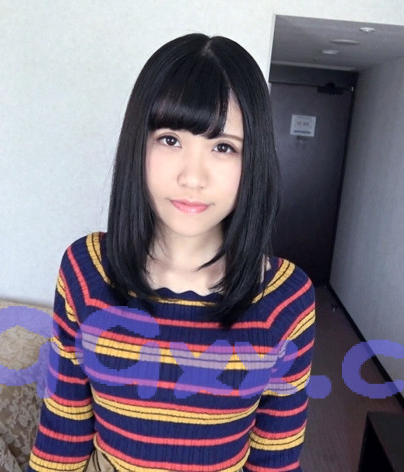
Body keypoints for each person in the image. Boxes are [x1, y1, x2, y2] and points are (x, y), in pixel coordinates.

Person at [28, 33, 316, 472]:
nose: (192, 178)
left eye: (223, 147)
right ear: (138, 144)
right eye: (169, 139)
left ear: (253, 161)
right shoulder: (86, 269)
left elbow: (275, 458)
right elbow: (62, 432)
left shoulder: (286, 297)